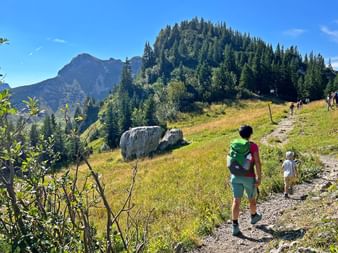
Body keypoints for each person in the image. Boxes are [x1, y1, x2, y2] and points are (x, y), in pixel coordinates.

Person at [229, 125, 262, 236]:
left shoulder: (234, 145)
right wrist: (259, 177)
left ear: (240, 134)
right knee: (251, 198)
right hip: (248, 176)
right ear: (250, 134)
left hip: (235, 176)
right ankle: (253, 216)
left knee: (236, 200)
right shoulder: (252, 146)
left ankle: (235, 226)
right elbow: (257, 162)